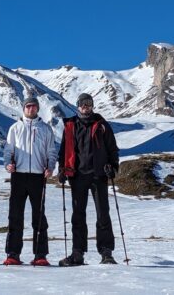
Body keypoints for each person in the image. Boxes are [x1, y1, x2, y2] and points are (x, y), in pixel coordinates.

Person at [58, 93, 120, 266]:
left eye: (89, 103)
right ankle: (77, 253)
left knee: (103, 215)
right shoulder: (70, 125)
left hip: (98, 176)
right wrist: (62, 169)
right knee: (78, 216)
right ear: (77, 106)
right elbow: (63, 151)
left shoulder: (102, 125)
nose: (86, 106)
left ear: (92, 106)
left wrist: (113, 167)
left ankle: (106, 252)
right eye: (83, 103)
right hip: (77, 176)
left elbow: (113, 149)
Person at [2, 97, 57, 266]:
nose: (31, 109)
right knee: (15, 215)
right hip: (18, 175)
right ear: (23, 108)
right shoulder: (15, 128)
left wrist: (50, 166)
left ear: (38, 109)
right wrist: (7, 164)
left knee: (39, 216)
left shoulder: (46, 129)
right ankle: (13, 253)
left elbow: (51, 151)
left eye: (34, 106)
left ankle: (40, 254)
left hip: (37, 177)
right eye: (28, 106)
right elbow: (8, 150)